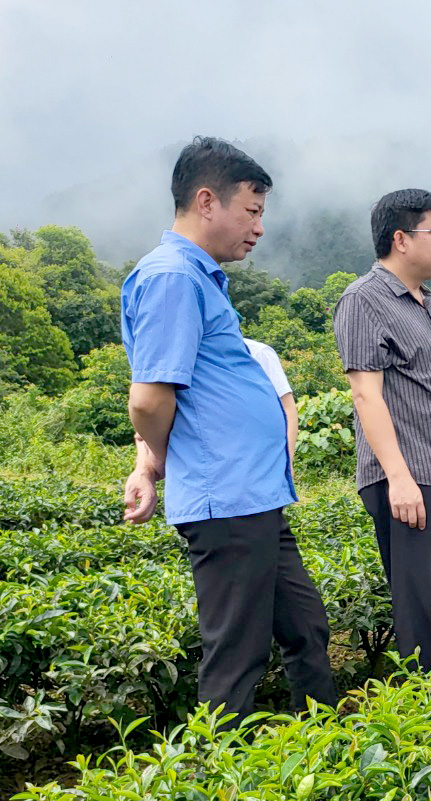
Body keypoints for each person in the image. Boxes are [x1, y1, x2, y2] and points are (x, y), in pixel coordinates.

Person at [120, 136, 336, 725]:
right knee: (237, 656)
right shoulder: (172, 278)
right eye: (253, 210)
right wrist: (161, 460)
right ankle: (217, 785)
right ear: (208, 201)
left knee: (305, 628)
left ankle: (325, 754)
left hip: (253, 497)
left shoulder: (197, 277)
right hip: (226, 499)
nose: (259, 227)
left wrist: (149, 462)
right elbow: (149, 399)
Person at [333, 189, 431, 672]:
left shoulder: (426, 303)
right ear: (400, 239)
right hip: (412, 480)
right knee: (423, 614)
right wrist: (398, 477)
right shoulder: (364, 300)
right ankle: (427, 726)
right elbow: (367, 396)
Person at [244, 338, 298, 466]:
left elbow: (288, 409)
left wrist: (288, 461)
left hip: (262, 458)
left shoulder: (258, 353)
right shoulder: (195, 355)